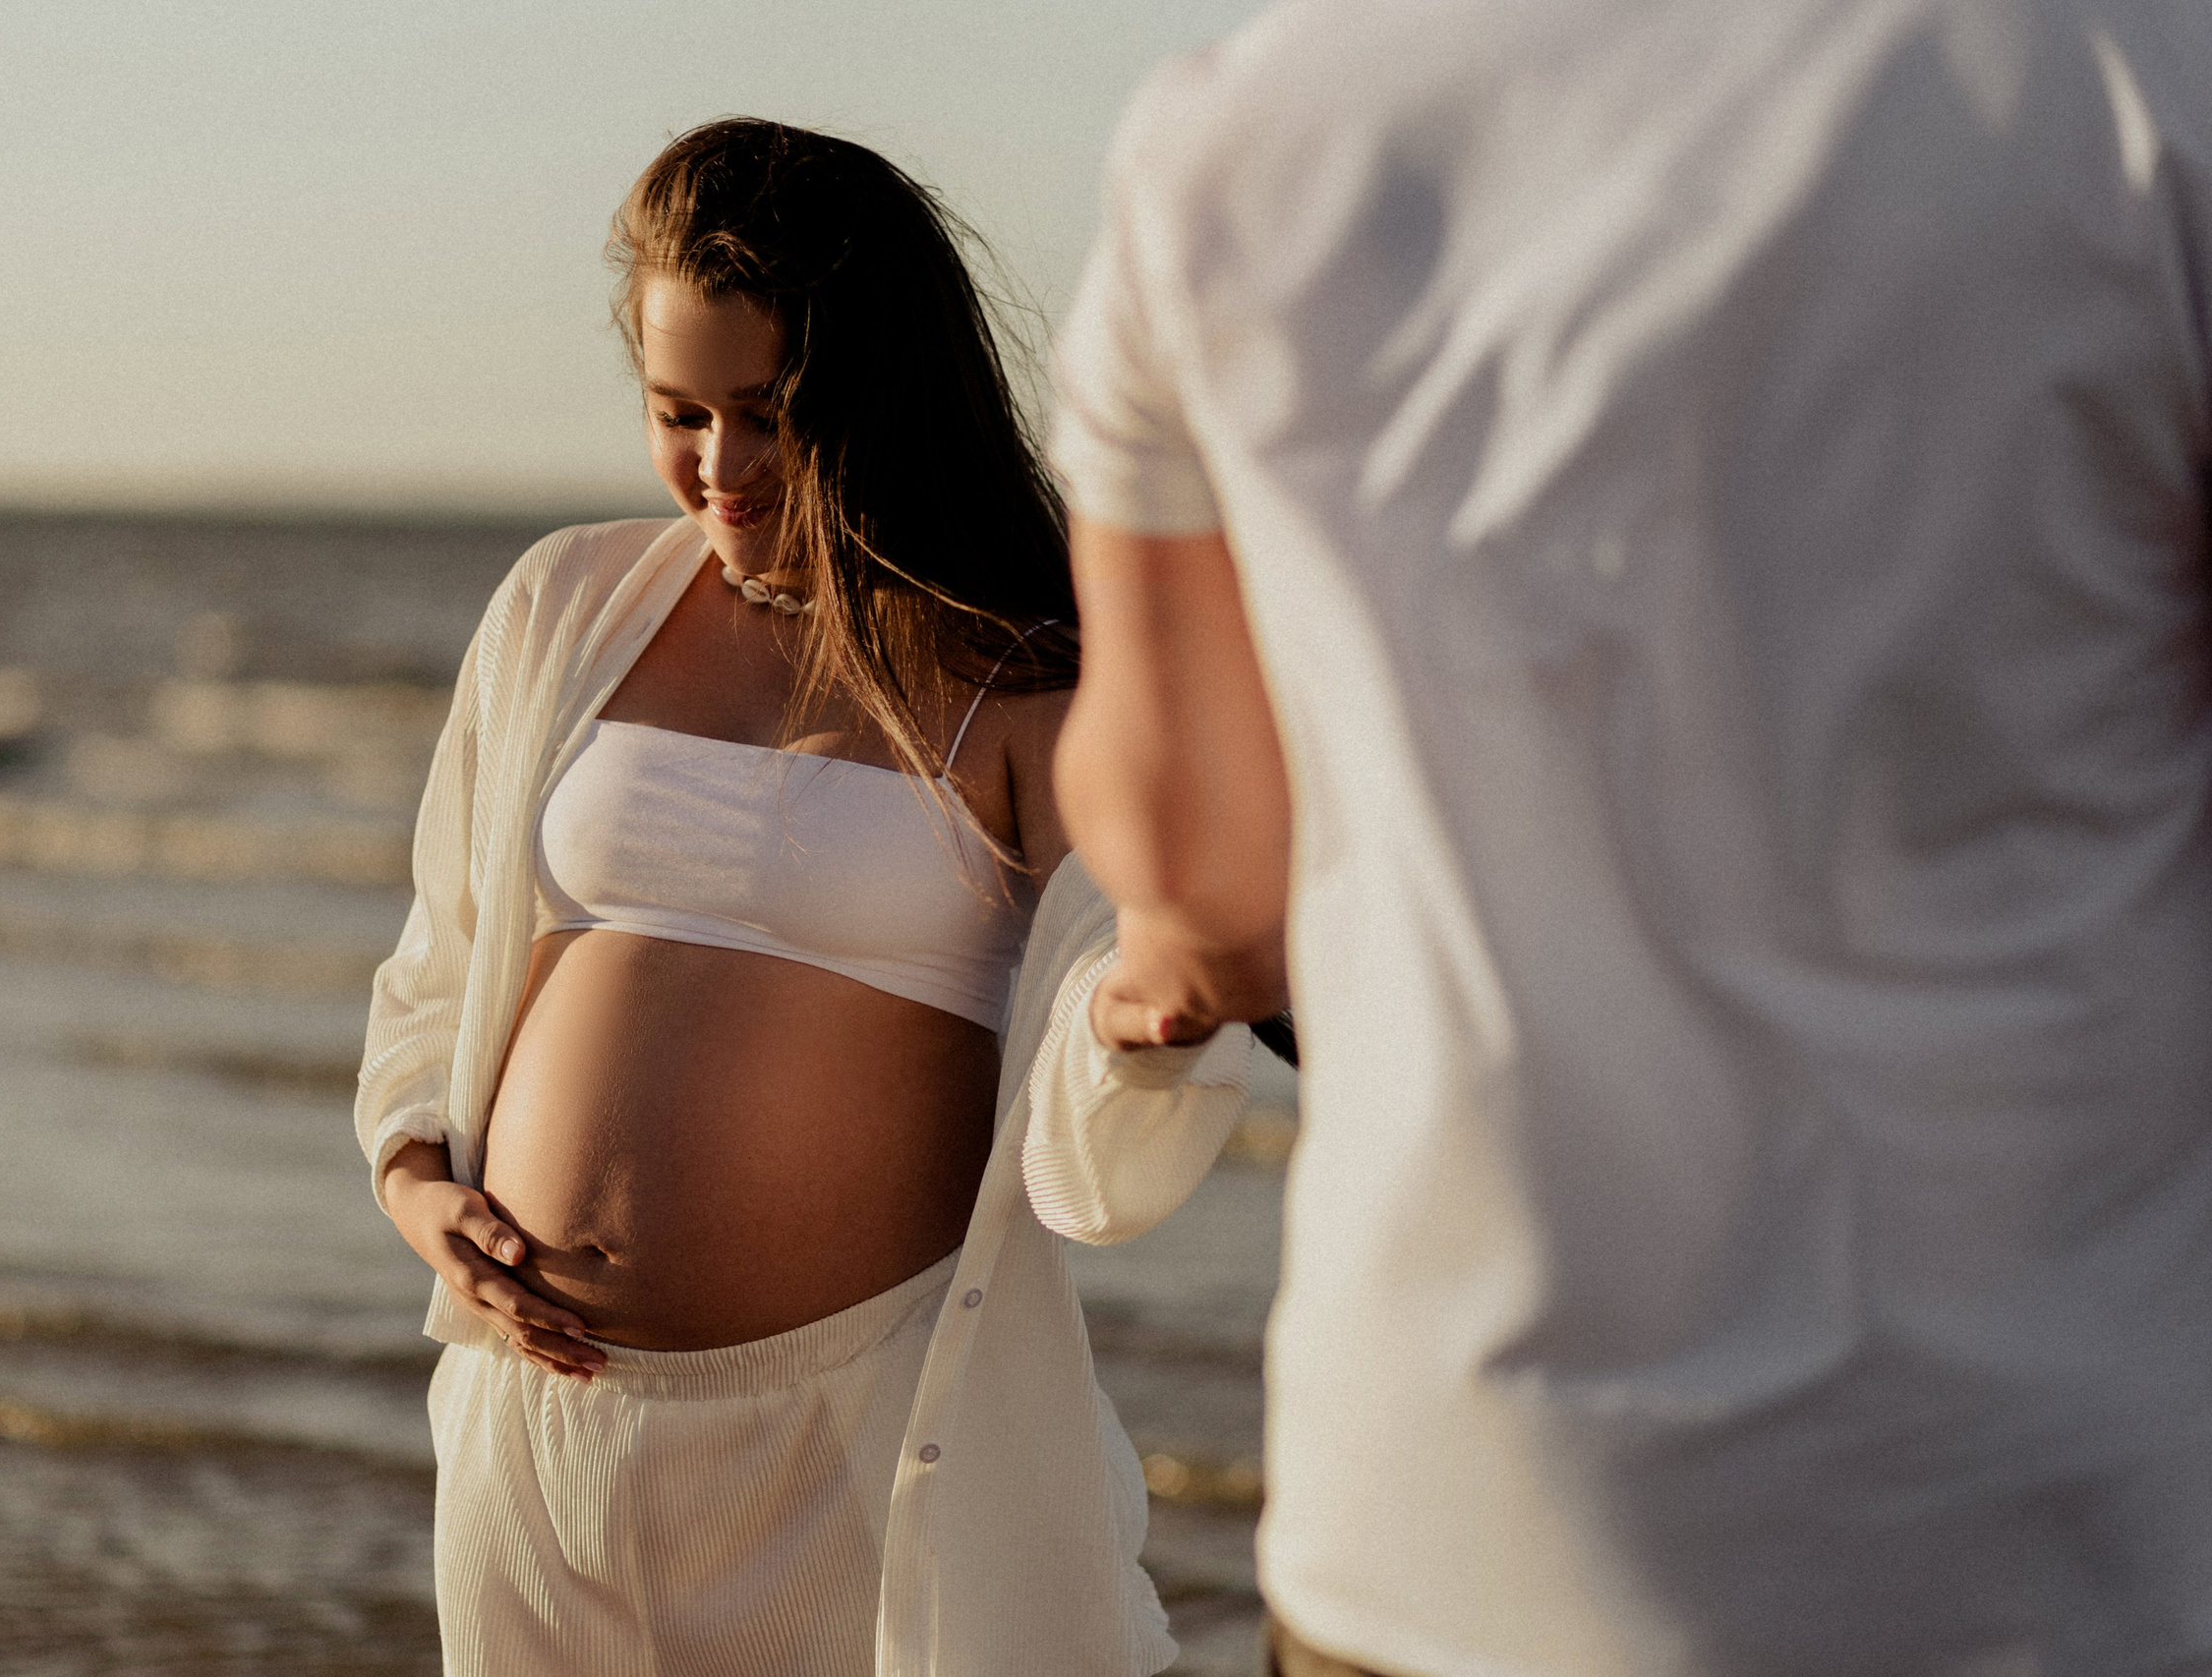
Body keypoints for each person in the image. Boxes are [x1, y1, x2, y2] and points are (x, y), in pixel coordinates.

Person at [1045, 3, 2212, 1675]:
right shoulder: (2140, 72)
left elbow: (1202, 886)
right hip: (2033, 1530)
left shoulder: (1234, 134)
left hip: (1442, 1528)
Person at [353, 117, 1253, 1677]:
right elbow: (438, 972)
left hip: (845, 1457)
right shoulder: (566, 607)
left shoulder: (1030, 687)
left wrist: (1138, 1025)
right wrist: (413, 1178)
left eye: (768, 416)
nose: (721, 467)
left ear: (875, 398)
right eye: (678, 411)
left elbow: (1105, 1169)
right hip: (536, 1446)